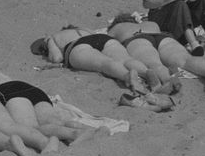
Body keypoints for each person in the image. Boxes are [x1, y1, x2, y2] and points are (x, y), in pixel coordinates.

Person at [0, 61, 99, 145]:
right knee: (52, 121)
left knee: (30, 128)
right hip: (29, 87)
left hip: (7, 91)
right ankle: (90, 130)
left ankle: (75, 134)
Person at [30, 27, 174, 110]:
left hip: (76, 46)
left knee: (104, 64)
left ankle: (127, 76)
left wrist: (49, 41)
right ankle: (145, 72)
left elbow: (57, 58)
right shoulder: (81, 27)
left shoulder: (55, 37)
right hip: (101, 37)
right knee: (127, 59)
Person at [107, 13, 205, 94]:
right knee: (185, 59)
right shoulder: (151, 23)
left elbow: (108, 42)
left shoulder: (116, 28)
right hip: (162, 37)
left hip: (136, 38)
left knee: (154, 63)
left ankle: (168, 80)